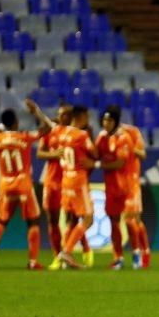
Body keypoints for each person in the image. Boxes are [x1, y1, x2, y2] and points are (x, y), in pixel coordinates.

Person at [0, 99, 54, 269]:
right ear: (16, 122)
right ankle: (32, 262)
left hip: (5, 185)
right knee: (33, 222)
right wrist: (37, 111)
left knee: (1, 221)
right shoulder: (24, 136)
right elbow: (49, 128)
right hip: (23, 184)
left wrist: (2, 127)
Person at [37, 104, 92, 262]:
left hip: (69, 182)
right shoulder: (52, 131)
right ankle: (57, 256)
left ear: (72, 116)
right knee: (52, 220)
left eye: (66, 114)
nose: (63, 117)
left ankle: (78, 250)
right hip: (52, 182)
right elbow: (39, 153)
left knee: (72, 220)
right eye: (61, 114)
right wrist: (54, 153)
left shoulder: (80, 134)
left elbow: (88, 158)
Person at [53, 106, 98, 270]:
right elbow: (94, 152)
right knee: (88, 218)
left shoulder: (61, 133)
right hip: (79, 181)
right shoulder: (82, 135)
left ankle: (66, 257)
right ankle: (67, 251)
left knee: (71, 220)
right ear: (82, 116)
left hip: (66, 180)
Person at [95, 106, 134, 270]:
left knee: (130, 221)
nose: (106, 123)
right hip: (111, 187)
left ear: (116, 122)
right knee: (113, 220)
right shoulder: (101, 137)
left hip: (123, 185)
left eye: (110, 120)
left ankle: (138, 254)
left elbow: (120, 162)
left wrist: (97, 164)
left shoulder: (123, 138)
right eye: (104, 119)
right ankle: (118, 257)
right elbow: (95, 153)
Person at [120, 121, 151, 268]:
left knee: (130, 218)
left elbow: (142, 153)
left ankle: (139, 253)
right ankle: (145, 251)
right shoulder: (107, 135)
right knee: (135, 219)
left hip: (132, 181)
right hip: (118, 183)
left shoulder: (131, 131)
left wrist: (130, 146)